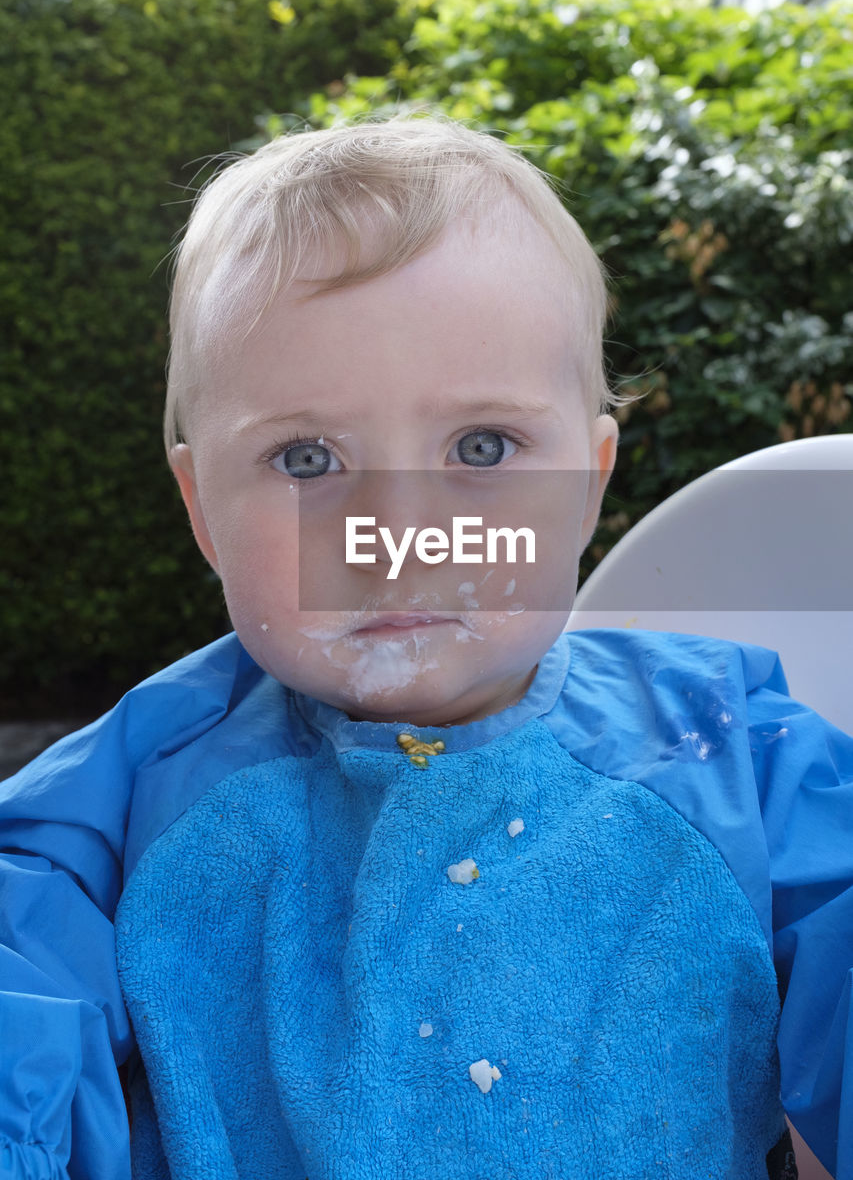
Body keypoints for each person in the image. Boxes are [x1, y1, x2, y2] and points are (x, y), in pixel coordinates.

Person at [0, 116, 850, 1180]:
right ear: (201, 506)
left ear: (587, 482)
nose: (397, 534)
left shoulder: (741, 757)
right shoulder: (115, 806)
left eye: (482, 446)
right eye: (306, 456)